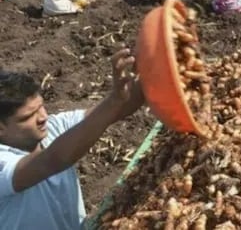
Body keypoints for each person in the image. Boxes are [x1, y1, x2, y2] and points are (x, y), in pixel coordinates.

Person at [0, 48, 145, 229]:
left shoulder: (53, 127)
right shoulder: (3, 163)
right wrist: (115, 101)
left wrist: (151, 72)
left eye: (41, 107)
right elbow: (53, 160)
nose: (42, 117)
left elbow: (114, 111)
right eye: (28, 117)